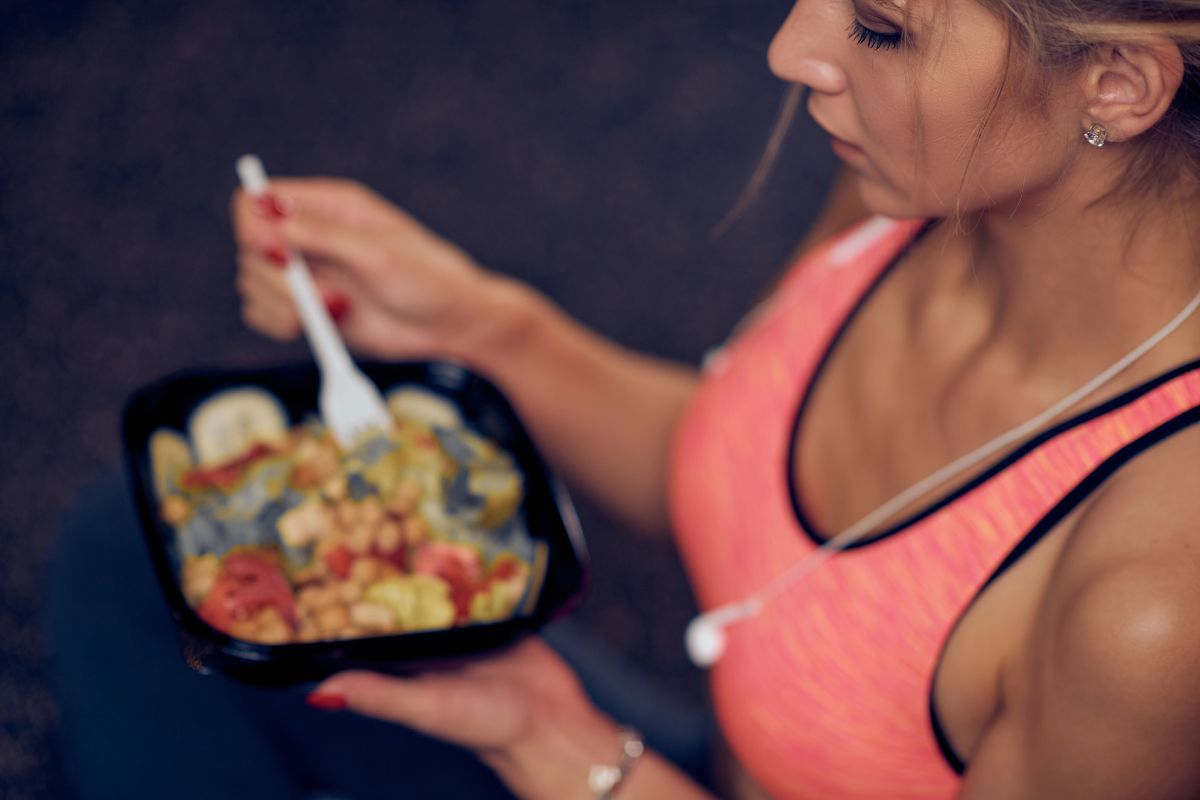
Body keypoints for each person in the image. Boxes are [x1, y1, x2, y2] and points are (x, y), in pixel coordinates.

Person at [50, 0, 1200, 797]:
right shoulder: (924, 180)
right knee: (136, 549)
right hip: (700, 758)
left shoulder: (1153, 603)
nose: (791, 47)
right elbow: (748, 491)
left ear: (1118, 82)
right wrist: (474, 325)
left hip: (626, 774)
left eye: (883, 25)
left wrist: (566, 752)